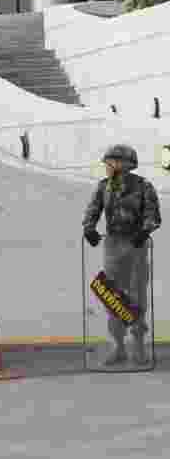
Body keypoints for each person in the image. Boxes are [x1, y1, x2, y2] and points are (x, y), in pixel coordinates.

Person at [83, 144, 162, 366]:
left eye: (110, 163)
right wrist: (89, 228)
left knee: (136, 293)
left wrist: (145, 230)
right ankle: (118, 345)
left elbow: (153, 214)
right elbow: (93, 209)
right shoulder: (103, 187)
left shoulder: (143, 186)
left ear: (123, 165)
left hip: (136, 245)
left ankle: (137, 343)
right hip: (112, 244)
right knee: (112, 294)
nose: (107, 167)